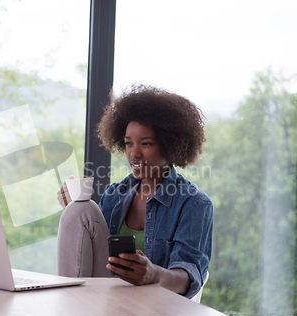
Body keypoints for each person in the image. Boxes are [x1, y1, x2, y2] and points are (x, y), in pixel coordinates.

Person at [56, 84, 213, 298]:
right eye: (129, 143)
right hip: (106, 300)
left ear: (171, 146)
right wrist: (73, 207)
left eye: (146, 144)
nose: (134, 153)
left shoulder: (194, 204)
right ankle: (71, 311)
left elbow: (190, 277)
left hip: (156, 310)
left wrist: (154, 275)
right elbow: (89, 254)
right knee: (80, 210)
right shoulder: (115, 195)